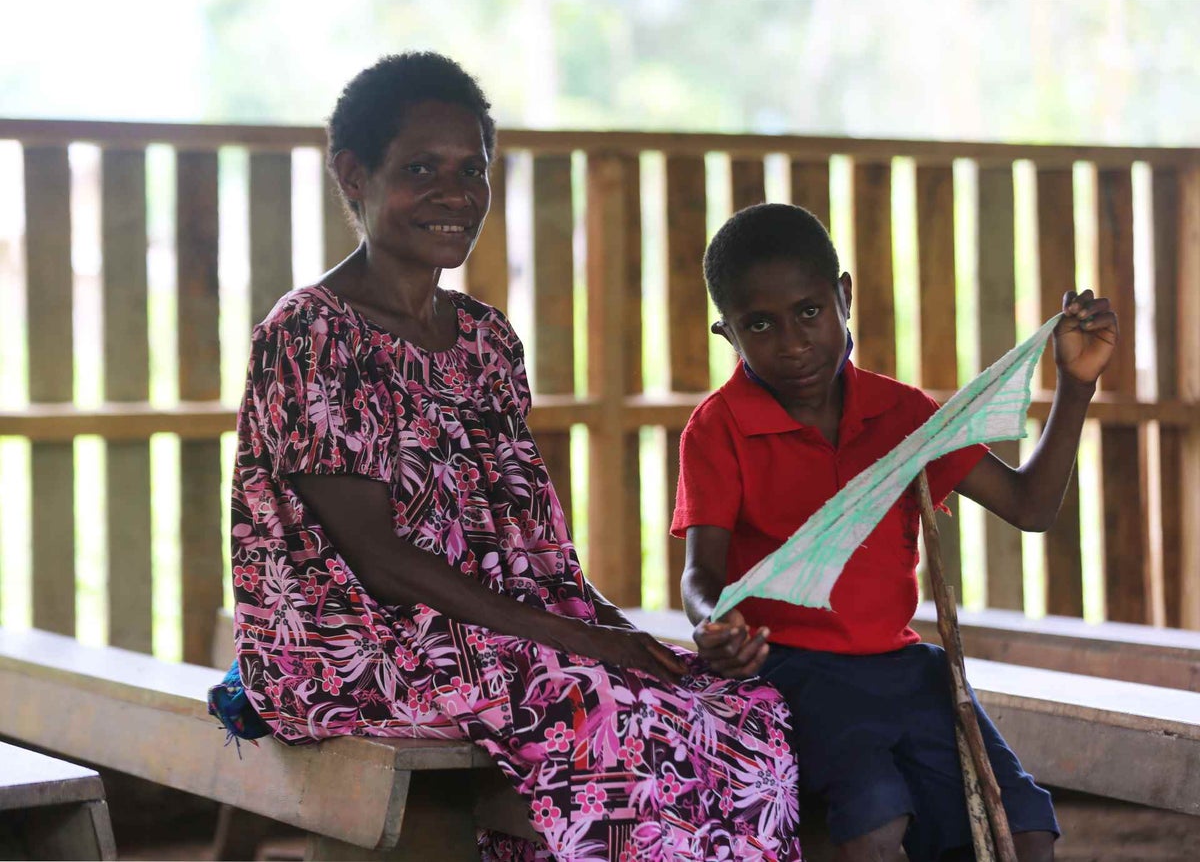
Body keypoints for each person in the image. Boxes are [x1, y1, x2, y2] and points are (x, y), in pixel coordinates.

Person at [230, 53, 803, 862]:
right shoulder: (312, 334)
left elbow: (530, 551)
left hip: (489, 635)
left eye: (473, 169)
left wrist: (615, 628)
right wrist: (587, 646)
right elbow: (382, 562)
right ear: (353, 174)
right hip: (353, 646)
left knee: (737, 705)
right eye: (420, 167)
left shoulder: (485, 338)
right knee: (594, 707)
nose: (455, 193)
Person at [673, 203, 1118, 862]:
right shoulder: (719, 427)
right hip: (791, 671)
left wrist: (1076, 387)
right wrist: (714, 623)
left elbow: (1030, 506)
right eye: (759, 324)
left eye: (810, 311)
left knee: (1021, 826)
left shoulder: (900, 414)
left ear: (844, 296)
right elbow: (698, 573)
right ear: (728, 333)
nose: (793, 341)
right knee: (875, 815)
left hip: (907, 669)